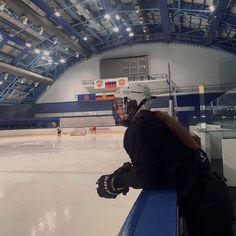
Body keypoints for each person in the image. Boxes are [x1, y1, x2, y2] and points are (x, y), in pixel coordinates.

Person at [96, 84, 235, 236]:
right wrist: (130, 172)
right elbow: (162, 164)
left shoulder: (140, 128)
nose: (119, 110)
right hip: (212, 200)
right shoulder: (155, 121)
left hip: (206, 210)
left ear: (138, 103)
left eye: (123, 104)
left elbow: (148, 177)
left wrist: (118, 182)